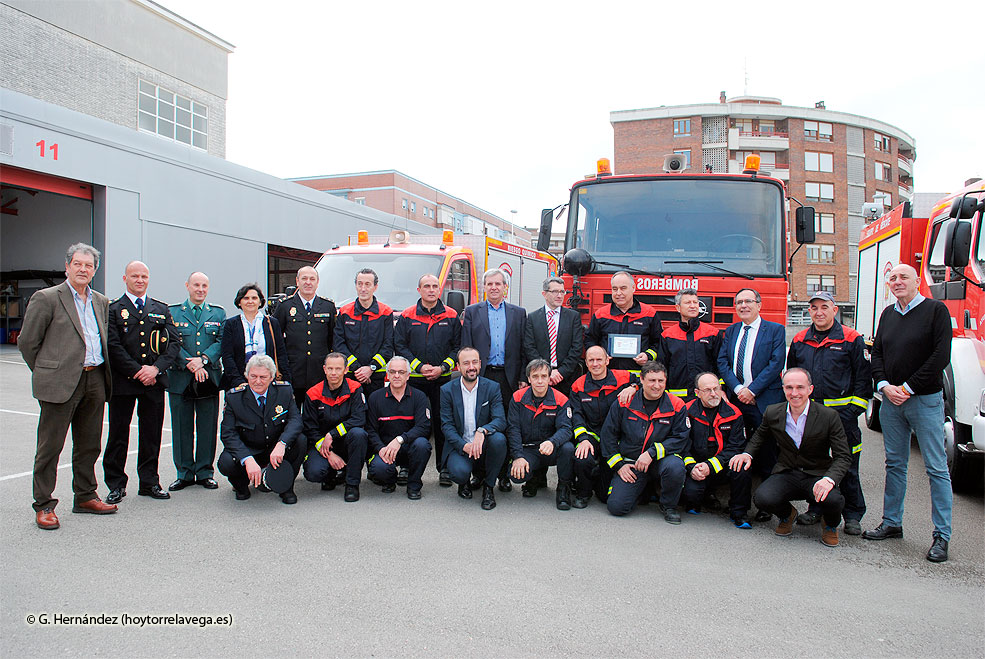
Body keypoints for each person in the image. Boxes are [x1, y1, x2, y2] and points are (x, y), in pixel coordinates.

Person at [19, 243, 118, 529]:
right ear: (67, 267)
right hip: (60, 383)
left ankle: (85, 495)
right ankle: (44, 504)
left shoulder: (101, 301)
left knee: (89, 445)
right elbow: (28, 342)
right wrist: (48, 371)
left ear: (95, 270)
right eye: (78, 264)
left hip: (95, 378)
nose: (83, 269)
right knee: (50, 447)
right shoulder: (47, 298)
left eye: (89, 266)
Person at [863, 264, 953, 563]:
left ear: (917, 282)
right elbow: (877, 354)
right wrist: (886, 386)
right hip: (891, 402)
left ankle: (941, 535)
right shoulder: (888, 314)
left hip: (924, 400)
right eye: (893, 278)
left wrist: (909, 388)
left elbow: (941, 356)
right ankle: (892, 523)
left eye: (904, 277)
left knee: (936, 468)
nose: (898, 282)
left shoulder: (935, 311)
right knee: (895, 464)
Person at [729, 368, 851, 547]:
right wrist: (747, 454)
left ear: (810, 389)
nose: (794, 393)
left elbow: (843, 456)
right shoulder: (773, 412)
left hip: (817, 474)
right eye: (789, 387)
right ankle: (787, 515)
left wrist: (829, 480)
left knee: (834, 500)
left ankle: (830, 525)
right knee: (763, 498)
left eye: (800, 387)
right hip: (788, 471)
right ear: (783, 389)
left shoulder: (828, 416)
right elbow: (760, 436)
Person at [786, 291, 871, 535]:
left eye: (824, 307)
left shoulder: (851, 338)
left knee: (848, 465)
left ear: (835, 310)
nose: (819, 312)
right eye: (814, 308)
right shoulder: (801, 340)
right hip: (811, 416)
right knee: (815, 465)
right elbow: (793, 375)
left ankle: (853, 515)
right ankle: (816, 509)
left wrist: (854, 410)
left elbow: (863, 378)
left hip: (843, 416)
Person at [103, 260, 179, 504]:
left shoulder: (161, 308)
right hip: (125, 382)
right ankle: (115, 484)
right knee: (117, 435)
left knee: (151, 435)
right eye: (134, 276)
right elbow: (112, 346)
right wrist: (138, 371)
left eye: (144, 276)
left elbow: (174, 344)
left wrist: (155, 369)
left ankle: (149, 482)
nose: (140, 280)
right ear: (125, 279)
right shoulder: (114, 309)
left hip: (154, 382)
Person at [716, 287, 786, 500]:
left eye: (748, 301)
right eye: (739, 302)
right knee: (736, 445)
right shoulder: (732, 330)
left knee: (766, 449)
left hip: (762, 400)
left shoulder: (775, 330)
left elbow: (776, 364)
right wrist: (738, 389)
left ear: (759, 304)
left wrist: (752, 390)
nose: (743, 306)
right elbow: (722, 362)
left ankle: (768, 499)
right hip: (737, 398)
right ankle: (736, 496)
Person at [461, 268, 526, 491]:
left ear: (505, 287)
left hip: (508, 378)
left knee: (507, 425)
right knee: (479, 423)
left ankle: (503, 474)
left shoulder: (519, 313)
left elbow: (523, 349)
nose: (494, 287)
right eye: (490, 284)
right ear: (485, 287)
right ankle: (478, 474)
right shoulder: (472, 312)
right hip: (482, 375)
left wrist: (522, 377)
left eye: (498, 284)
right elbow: (466, 346)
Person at [601, 360, 690, 524]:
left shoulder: (677, 405)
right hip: (632, 463)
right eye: (652, 381)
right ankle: (643, 490)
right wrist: (619, 465)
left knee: (675, 467)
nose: (657, 386)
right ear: (641, 380)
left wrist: (652, 453)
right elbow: (608, 436)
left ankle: (669, 506)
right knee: (616, 507)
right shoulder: (624, 401)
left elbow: (681, 438)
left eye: (661, 381)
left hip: (661, 461)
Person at [395, 273, 461, 486]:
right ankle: (406, 466)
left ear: (439, 290)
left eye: (435, 286)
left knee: (444, 424)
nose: (431, 289)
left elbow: (457, 347)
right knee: (409, 423)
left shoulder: (451, 315)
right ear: (419, 290)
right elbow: (400, 346)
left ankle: (444, 468)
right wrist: (418, 366)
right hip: (414, 380)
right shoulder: (407, 315)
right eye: (427, 286)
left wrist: (442, 367)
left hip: (442, 381)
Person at [166, 271, 225, 492]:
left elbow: (221, 341)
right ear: (187, 286)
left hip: (208, 377)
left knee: (207, 426)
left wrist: (203, 360)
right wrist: (188, 363)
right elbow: (169, 341)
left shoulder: (218, 314)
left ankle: (204, 472)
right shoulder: (172, 313)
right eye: (196, 285)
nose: (200, 289)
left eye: (204, 286)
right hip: (181, 377)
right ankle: (184, 473)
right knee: (181, 427)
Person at [217, 355, 304, 504]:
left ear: (272, 377)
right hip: (250, 449)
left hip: (275, 449)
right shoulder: (234, 397)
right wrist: (247, 459)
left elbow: (295, 420)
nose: (257, 381)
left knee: (300, 441)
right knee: (226, 462)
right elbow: (227, 433)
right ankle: (241, 485)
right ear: (246, 375)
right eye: (253, 376)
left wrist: (282, 444)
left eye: (263, 377)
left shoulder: (284, 391)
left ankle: (285, 486)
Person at [439, 347, 508, 510]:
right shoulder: (447, 390)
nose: (471, 367)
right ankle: (463, 483)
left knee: (499, 440)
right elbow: (447, 426)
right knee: (459, 472)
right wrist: (464, 446)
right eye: (466, 363)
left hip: (482, 444)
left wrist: (482, 431)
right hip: (460, 445)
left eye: (475, 362)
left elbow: (500, 420)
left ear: (480, 364)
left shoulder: (492, 387)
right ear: (458, 366)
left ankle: (489, 487)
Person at [570, 346, 639, 507]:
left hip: (616, 438)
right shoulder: (578, 386)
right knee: (582, 457)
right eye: (591, 360)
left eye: (599, 359)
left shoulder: (624, 378)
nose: (595, 364)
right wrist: (583, 439)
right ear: (586, 363)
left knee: (604, 496)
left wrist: (632, 388)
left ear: (607, 360)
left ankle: (600, 481)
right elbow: (576, 415)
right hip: (592, 435)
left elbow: (643, 382)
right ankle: (583, 492)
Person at [681, 372, 752, 528]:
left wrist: (711, 465)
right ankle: (698, 499)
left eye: (716, 389)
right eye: (707, 390)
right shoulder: (686, 411)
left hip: (722, 465)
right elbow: (682, 444)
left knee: (741, 467)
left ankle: (739, 513)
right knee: (691, 495)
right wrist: (691, 467)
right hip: (696, 466)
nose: (713, 394)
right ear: (697, 393)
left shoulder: (734, 413)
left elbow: (736, 447)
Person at [507, 359, 575, 510]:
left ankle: (563, 488)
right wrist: (518, 457)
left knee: (568, 448)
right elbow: (513, 429)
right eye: (535, 376)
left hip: (551, 448)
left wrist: (553, 442)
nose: (539, 381)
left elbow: (566, 428)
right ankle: (534, 479)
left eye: (544, 376)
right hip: (529, 449)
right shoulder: (517, 398)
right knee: (516, 475)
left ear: (549, 378)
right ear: (529, 379)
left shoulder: (561, 400)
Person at [301, 353, 368, 502]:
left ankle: (352, 484)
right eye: (330, 368)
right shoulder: (313, 393)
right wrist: (329, 454)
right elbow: (310, 429)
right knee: (314, 473)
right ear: (324, 369)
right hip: (322, 445)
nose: (333, 373)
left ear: (346, 370)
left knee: (359, 434)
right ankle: (330, 476)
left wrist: (333, 434)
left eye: (338, 369)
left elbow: (359, 418)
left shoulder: (355, 388)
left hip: (346, 442)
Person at [366, 356, 432, 499]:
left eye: (401, 372)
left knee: (423, 445)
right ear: (387, 374)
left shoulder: (419, 397)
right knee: (378, 468)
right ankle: (389, 480)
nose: (396, 376)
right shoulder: (375, 398)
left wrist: (401, 439)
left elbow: (423, 427)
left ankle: (413, 485)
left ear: (408, 375)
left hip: (409, 447)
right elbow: (370, 430)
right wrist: (380, 448)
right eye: (393, 372)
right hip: (385, 449)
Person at [272, 266, 336, 410]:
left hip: (319, 372)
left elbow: (333, 340)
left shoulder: (328, 306)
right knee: (292, 414)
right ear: (297, 281)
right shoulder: (285, 306)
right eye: (304, 278)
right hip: (293, 371)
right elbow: (276, 340)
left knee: (317, 415)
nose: (308, 282)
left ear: (318, 282)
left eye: (312, 279)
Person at [584, 271, 663, 374]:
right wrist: (600, 355)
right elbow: (589, 341)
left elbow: (659, 343)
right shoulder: (601, 315)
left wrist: (648, 356)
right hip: (607, 377)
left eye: (623, 288)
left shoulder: (649, 314)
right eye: (614, 289)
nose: (618, 293)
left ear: (633, 288)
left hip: (639, 378)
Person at [334, 268, 393, 398]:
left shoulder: (385, 313)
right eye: (360, 284)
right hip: (350, 375)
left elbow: (388, 346)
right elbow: (339, 344)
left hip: (376, 377)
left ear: (375, 287)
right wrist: (357, 368)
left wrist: (370, 368)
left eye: (367, 284)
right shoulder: (345, 312)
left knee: (374, 414)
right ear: (355, 285)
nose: (363, 288)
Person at [220, 283, 291, 390]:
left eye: (254, 298)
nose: (250, 301)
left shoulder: (271, 323)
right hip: (240, 382)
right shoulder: (231, 324)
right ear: (239, 302)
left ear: (260, 302)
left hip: (267, 381)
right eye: (246, 298)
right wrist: (238, 381)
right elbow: (227, 356)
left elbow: (281, 353)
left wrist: (286, 380)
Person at [523, 276, 584, 395]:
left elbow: (577, 348)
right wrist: (546, 372)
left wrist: (561, 372)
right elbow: (529, 347)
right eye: (555, 291)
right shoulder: (533, 318)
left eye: (562, 292)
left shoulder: (573, 317)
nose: (560, 295)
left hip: (567, 378)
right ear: (544, 294)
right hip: (541, 378)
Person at [661, 288, 720, 400]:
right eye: (688, 303)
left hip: (706, 398)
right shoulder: (667, 335)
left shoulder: (712, 333)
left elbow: (719, 366)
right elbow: (662, 367)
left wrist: (720, 390)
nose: (693, 306)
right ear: (678, 308)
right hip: (677, 399)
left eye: (695, 302)